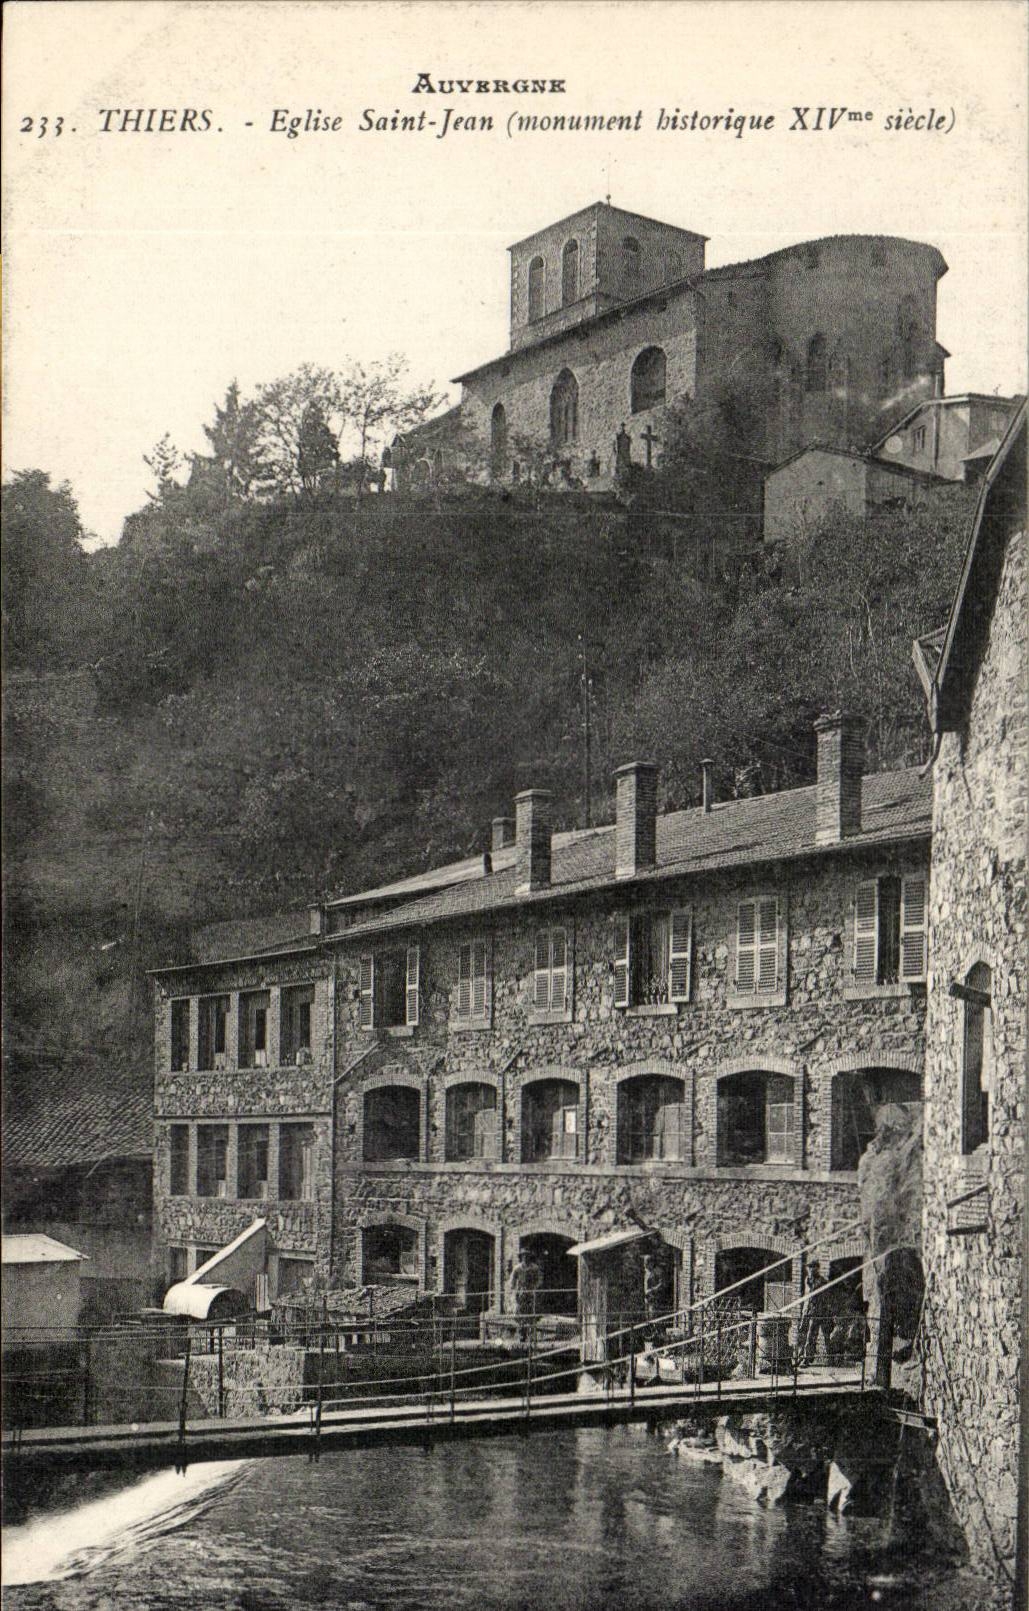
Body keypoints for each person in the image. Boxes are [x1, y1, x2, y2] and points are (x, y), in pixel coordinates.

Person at [799, 1262, 833, 1366]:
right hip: (807, 1311)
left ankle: (807, 1359)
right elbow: (806, 1296)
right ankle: (802, 1356)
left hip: (817, 1312)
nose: (810, 1270)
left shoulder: (821, 1281)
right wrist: (804, 1311)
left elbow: (815, 1291)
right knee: (804, 1334)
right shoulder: (807, 1280)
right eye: (809, 1268)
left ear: (817, 1268)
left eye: (812, 1268)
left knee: (812, 1335)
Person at [511, 1250, 542, 1342]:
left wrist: (535, 1288)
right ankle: (522, 1335)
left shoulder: (534, 1268)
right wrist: (515, 1290)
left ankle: (532, 1335)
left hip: (531, 1293)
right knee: (520, 1314)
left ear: (529, 1257)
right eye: (523, 1256)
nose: (525, 1258)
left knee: (531, 1314)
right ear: (521, 1257)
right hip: (521, 1293)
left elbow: (540, 1279)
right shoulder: (517, 1268)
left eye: (527, 1256)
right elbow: (512, 1280)